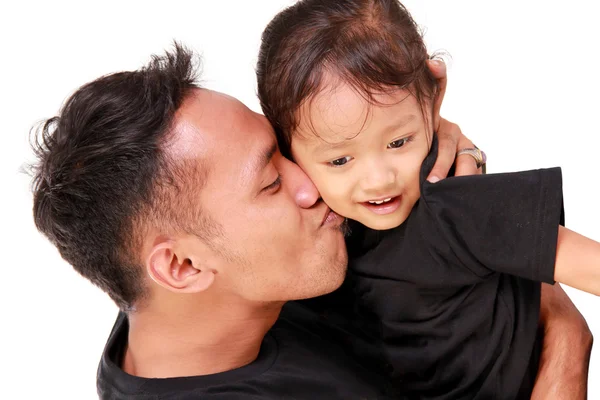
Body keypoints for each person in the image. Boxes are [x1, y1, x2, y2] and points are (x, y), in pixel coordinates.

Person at [29, 45, 591, 399]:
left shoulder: (203, 300)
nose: (308, 182)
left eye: (282, 149)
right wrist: (564, 338)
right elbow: (545, 306)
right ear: (181, 264)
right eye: (270, 183)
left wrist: (413, 146)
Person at [256, 0, 597, 399]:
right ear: (283, 146)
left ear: (435, 96)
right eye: (340, 159)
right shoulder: (291, 229)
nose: (379, 180)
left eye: (399, 142)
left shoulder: (456, 205)